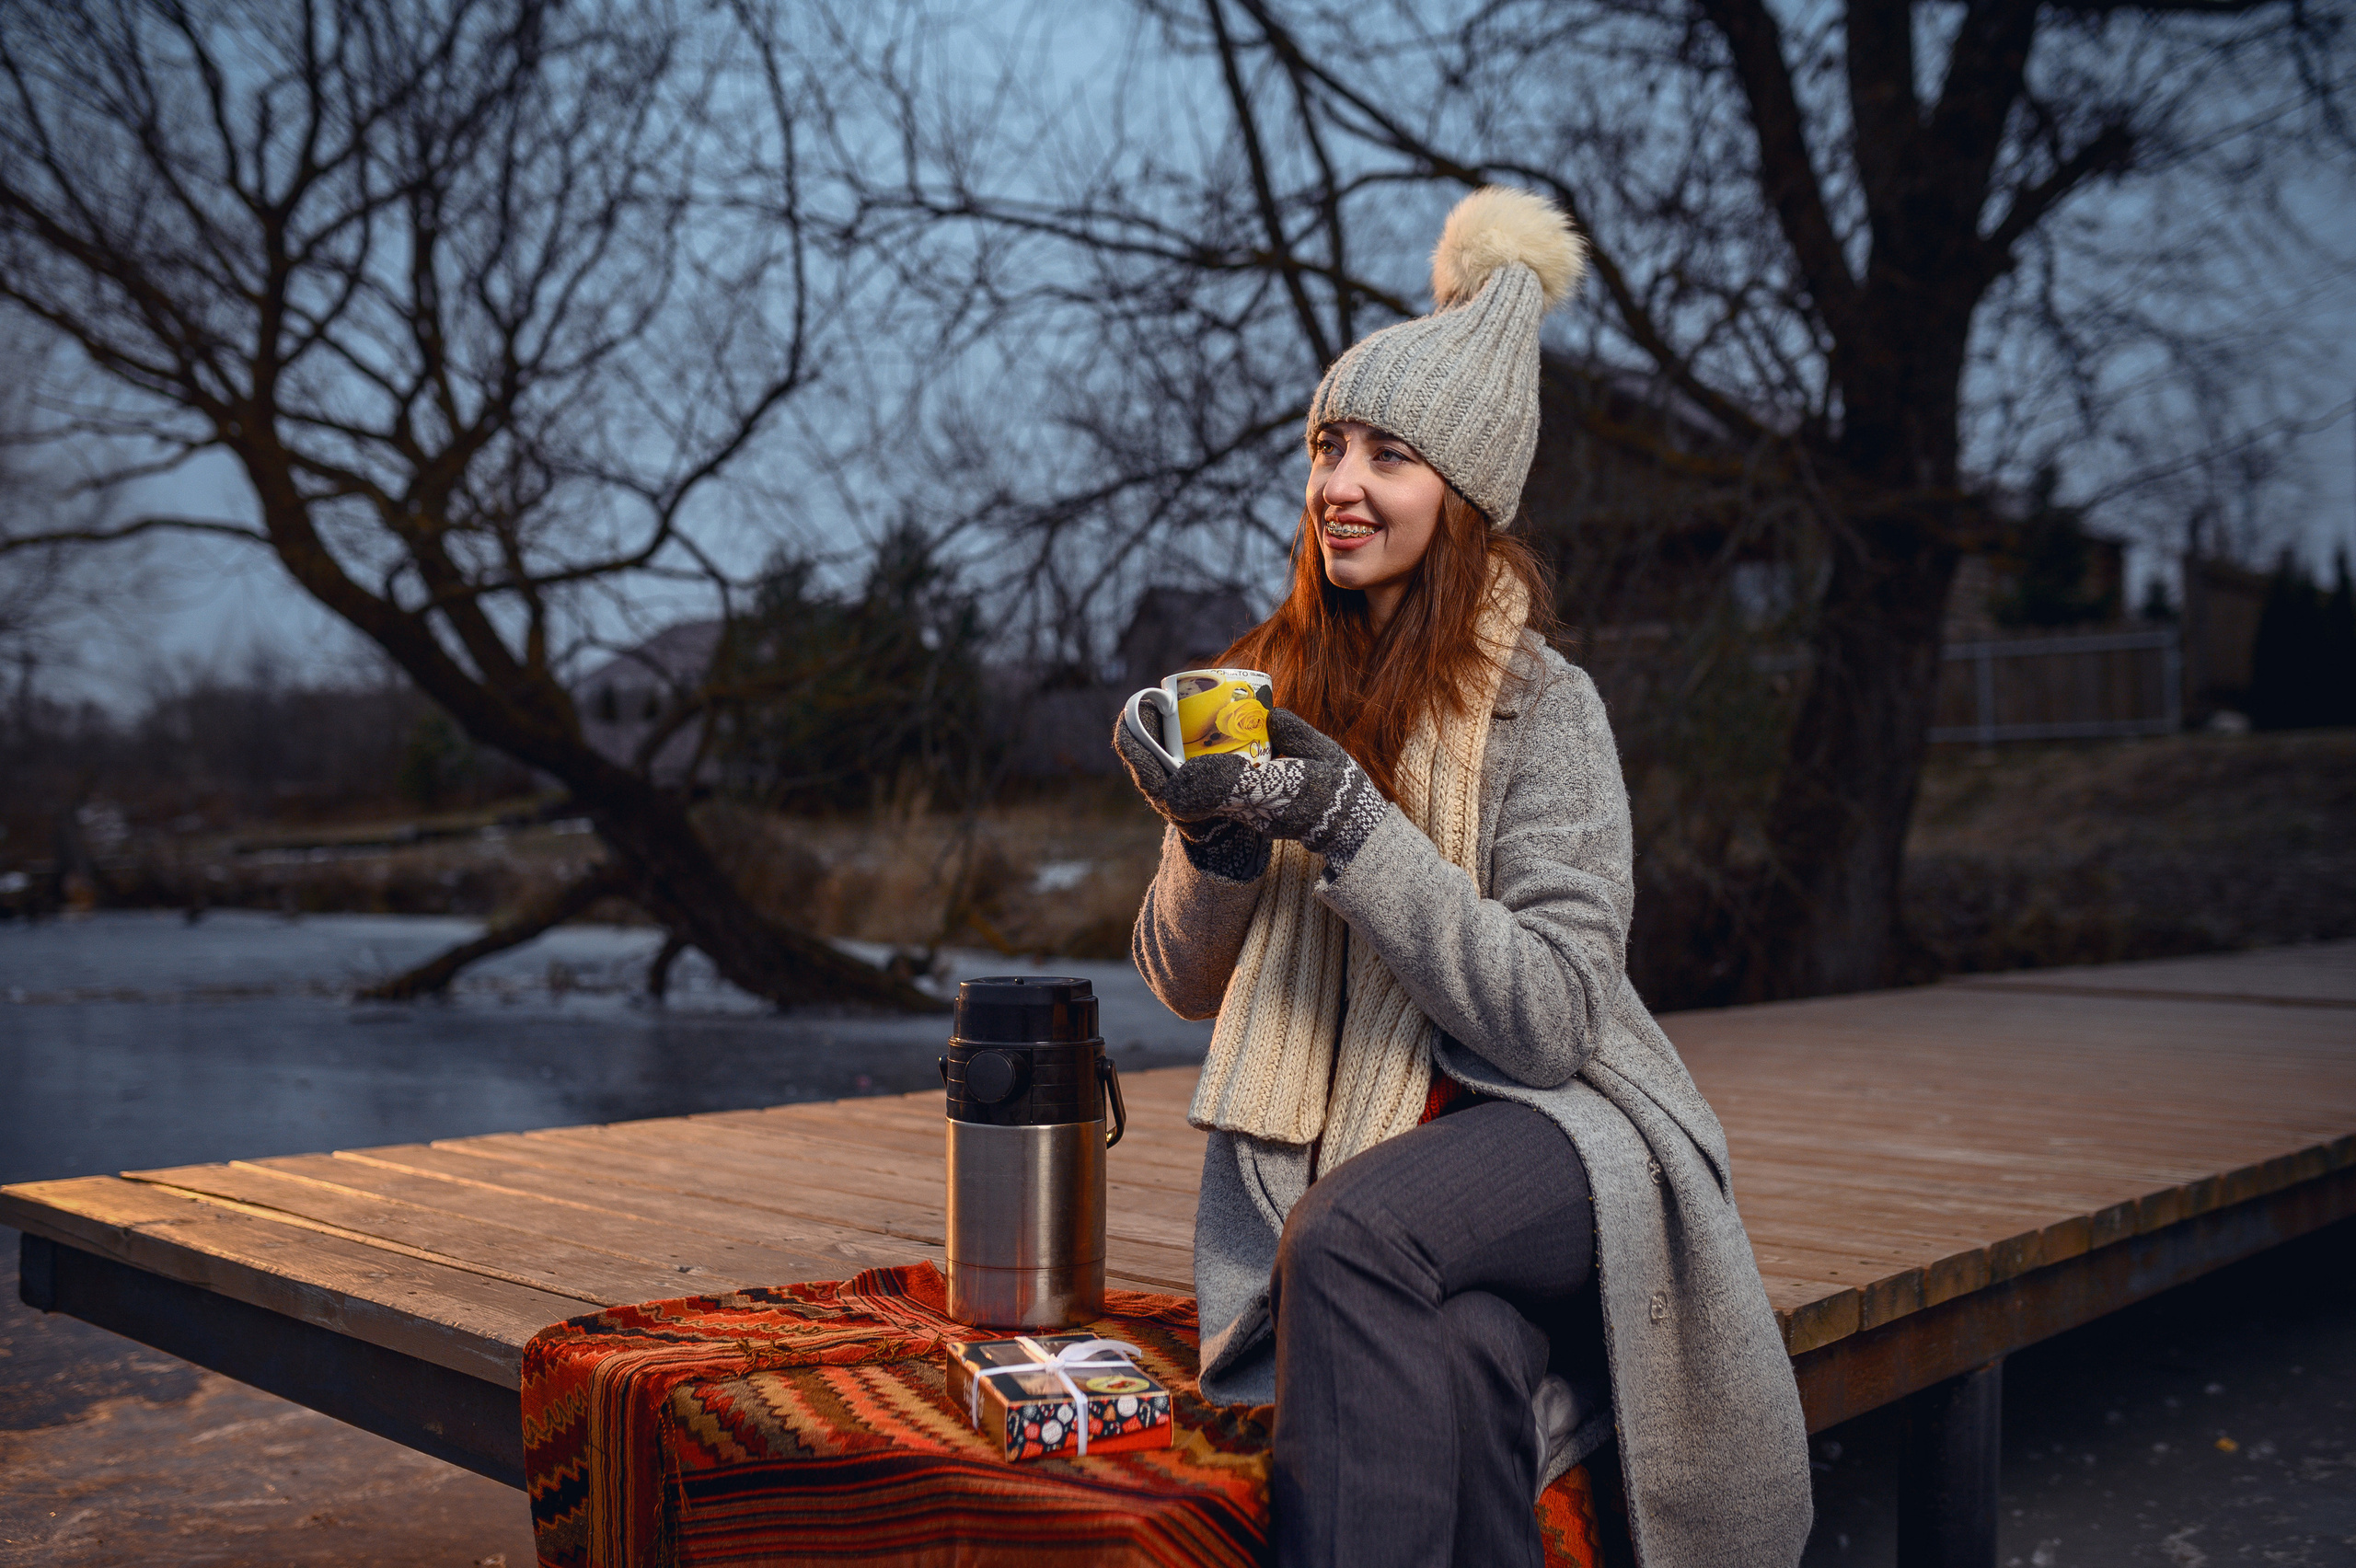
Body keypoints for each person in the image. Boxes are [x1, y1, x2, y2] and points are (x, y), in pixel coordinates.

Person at [1114, 188, 1812, 1567]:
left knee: (1351, 1241)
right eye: (1329, 446)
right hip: (1375, 1147)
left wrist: (1354, 825)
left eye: (1390, 455)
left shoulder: (1547, 710)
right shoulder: (1264, 685)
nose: (1342, 484)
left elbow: (1551, 1020)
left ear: (1466, 493)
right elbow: (1185, 983)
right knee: (1471, 1352)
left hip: (1555, 1126)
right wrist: (1214, 840)